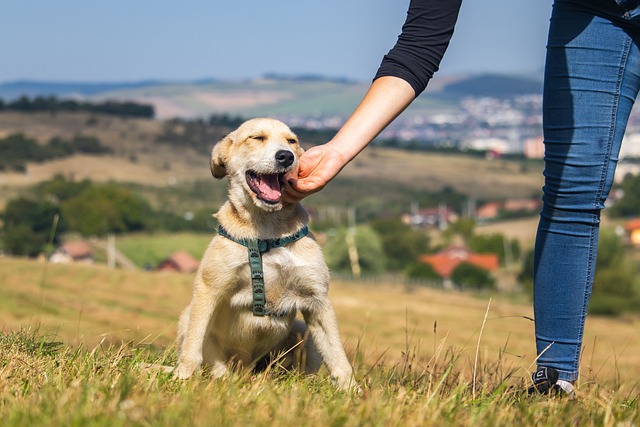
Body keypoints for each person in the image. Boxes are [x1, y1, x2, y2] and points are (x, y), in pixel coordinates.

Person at [286, 0, 639, 395]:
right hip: (595, 14)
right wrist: (339, 149)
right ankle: (555, 385)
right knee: (571, 187)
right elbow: (419, 46)